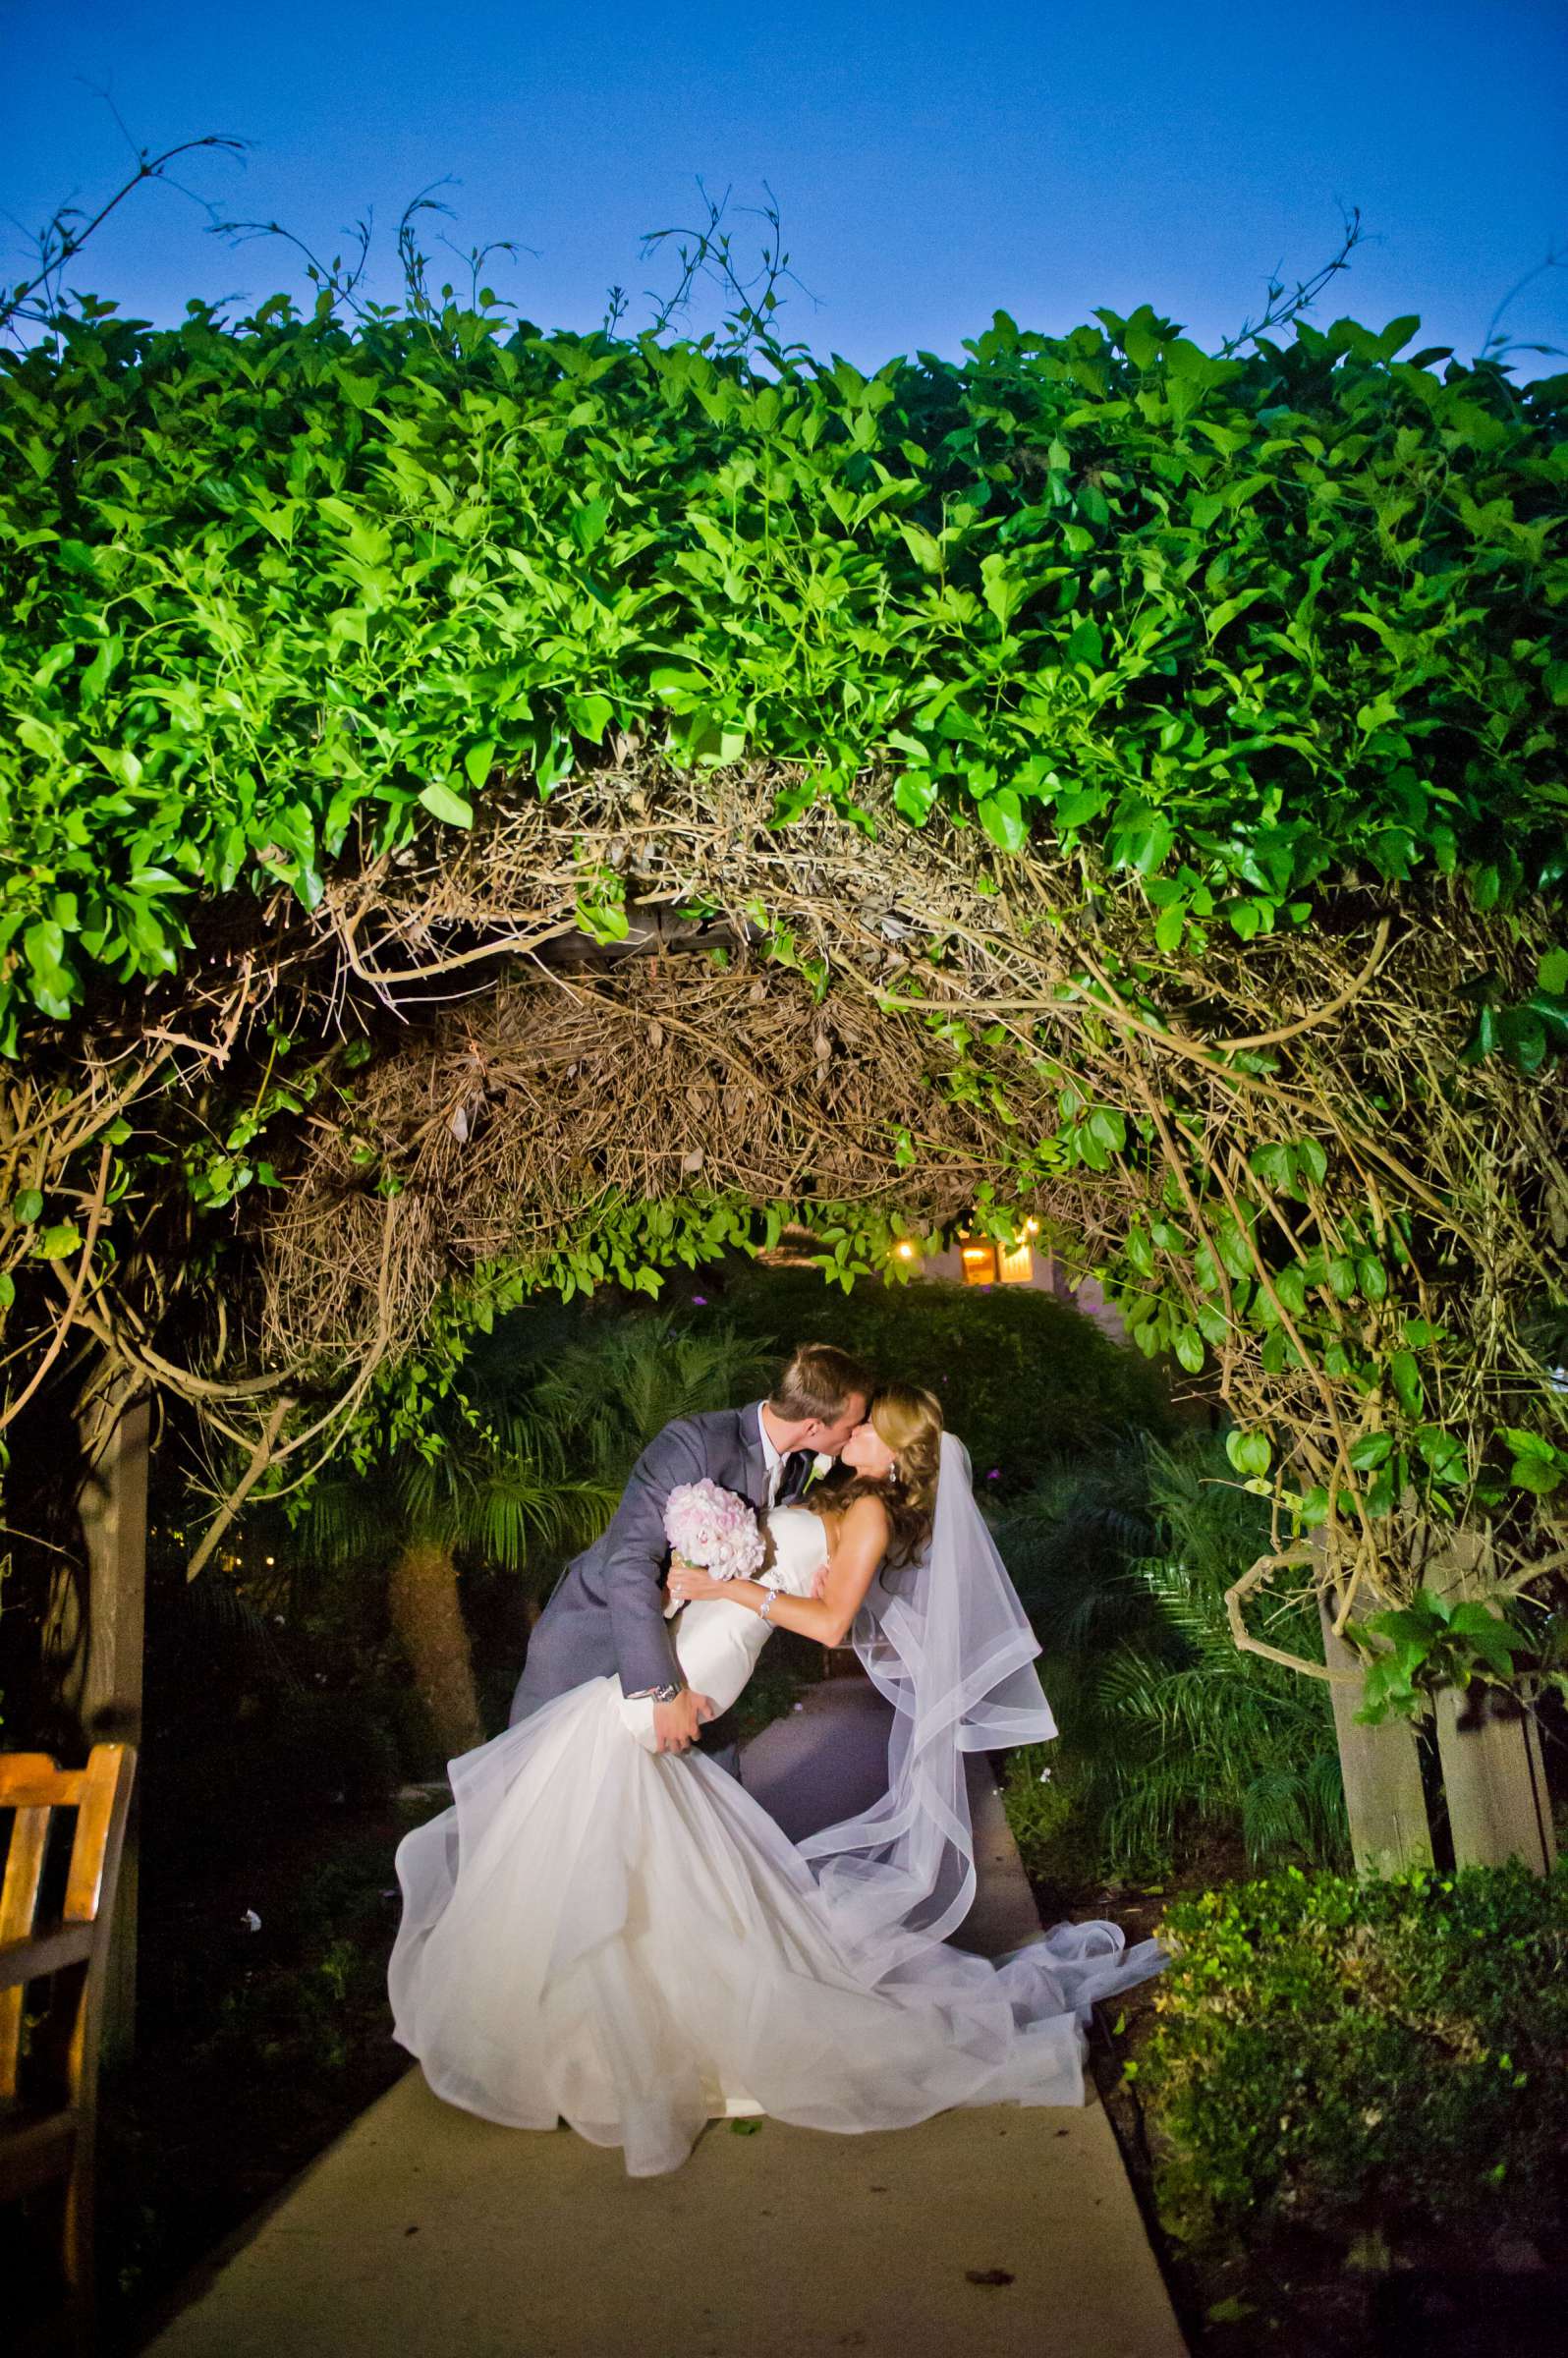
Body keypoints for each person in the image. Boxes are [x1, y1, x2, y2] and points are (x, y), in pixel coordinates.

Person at [389, 1379, 1164, 2177]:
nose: (851, 1434)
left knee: (601, 1800)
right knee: (635, 1826)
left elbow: (828, 1622)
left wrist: (724, 1585)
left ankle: (608, 2031)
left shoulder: (869, 1513)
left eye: (866, 1428)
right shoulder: (836, 1494)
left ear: (894, 1448)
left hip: (710, 1652)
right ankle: (620, 2023)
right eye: (851, 1423)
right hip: (699, 1636)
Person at [506, 1341, 871, 1755]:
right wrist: (663, 1691)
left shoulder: (800, 1465)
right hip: (597, 1642)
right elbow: (627, 1563)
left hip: (696, 1653)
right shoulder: (695, 1442)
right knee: (547, 1793)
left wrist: (810, 1584)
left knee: (710, 1799)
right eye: (853, 1424)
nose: (856, 1432)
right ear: (812, 1425)